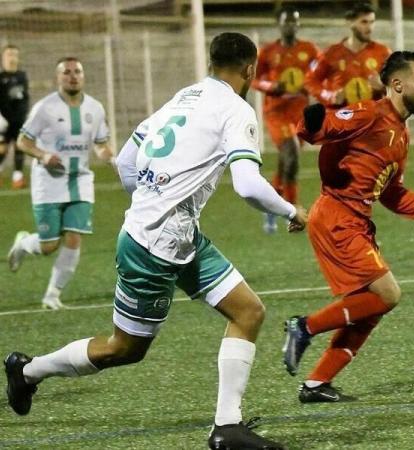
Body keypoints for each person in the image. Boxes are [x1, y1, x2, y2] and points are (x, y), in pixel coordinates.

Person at [5, 32, 305, 450]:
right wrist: (292, 210)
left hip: (180, 236)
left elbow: (126, 159)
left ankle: (227, 428)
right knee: (124, 349)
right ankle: (28, 370)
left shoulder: (187, 95)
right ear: (251, 69)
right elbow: (248, 185)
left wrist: (151, 199)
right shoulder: (236, 110)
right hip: (152, 246)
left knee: (249, 312)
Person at [282, 51, 414, 402]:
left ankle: (316, 385)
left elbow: (392, 195)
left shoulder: (401, 134)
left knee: (368, 310)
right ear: (397, 84)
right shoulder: (370, 114)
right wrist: (313, 121)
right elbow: (324, 127)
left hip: (356, 222)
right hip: (338, 218)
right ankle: (304, 327)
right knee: (387, 294)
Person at [6, 56, 113, 310]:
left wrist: (111, 158)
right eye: (67, 72)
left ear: (83, 76)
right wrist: (43, 155)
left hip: (81, 181)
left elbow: (100, 144)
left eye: (78, 71)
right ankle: (23, 243)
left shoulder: (95, 108)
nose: (73, 76)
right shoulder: (45, 108)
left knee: (74, 237)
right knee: (48, 246)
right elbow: (23, 141)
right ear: (58, 78)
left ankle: (52, 295)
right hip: (48, 182)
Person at [252, 7, 320, 234]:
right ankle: (292, 211)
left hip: (299, 112)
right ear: (279, 24)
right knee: (291, 153)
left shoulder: (308, 50)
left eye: (295, 22)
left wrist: (310, 85)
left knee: (287, 163)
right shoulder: (268, 51)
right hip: (276, 112)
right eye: (287, 22)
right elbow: (254, 80)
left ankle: (271, 207)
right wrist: (274, 87)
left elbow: (321, 74)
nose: (291, 25)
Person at [304, 2, 390, 108]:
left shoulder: (383, 52)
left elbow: (399, 87)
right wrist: (329, 96)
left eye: (372, 22)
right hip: (340, 119)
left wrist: (382, 87)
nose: (369, 28)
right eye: (364, 22)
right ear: (350, 23)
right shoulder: (331, 53)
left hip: (371, 120)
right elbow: (310, 80)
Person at [0, 45, 30, 189]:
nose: (12, 57)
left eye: (14, 54)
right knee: (2, 148)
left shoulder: (22, 76)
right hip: (3, 120)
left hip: (19, 119)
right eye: (9, 54)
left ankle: (17, 177)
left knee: (20, 146)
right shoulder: (1, 78)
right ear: (3, 58)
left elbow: (25, 96)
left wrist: (26, 113)